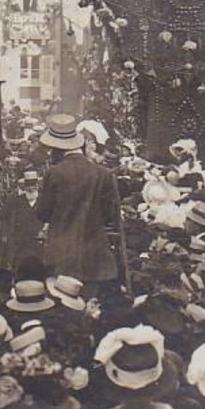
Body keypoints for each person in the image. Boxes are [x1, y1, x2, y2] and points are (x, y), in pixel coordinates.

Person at [35, 114, 122, 290]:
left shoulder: (54, 173)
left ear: (56, 148)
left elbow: (41, 213)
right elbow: (110, 215)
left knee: (64, 304)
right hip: (95, 254)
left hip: (61, 254)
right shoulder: (103, 174)